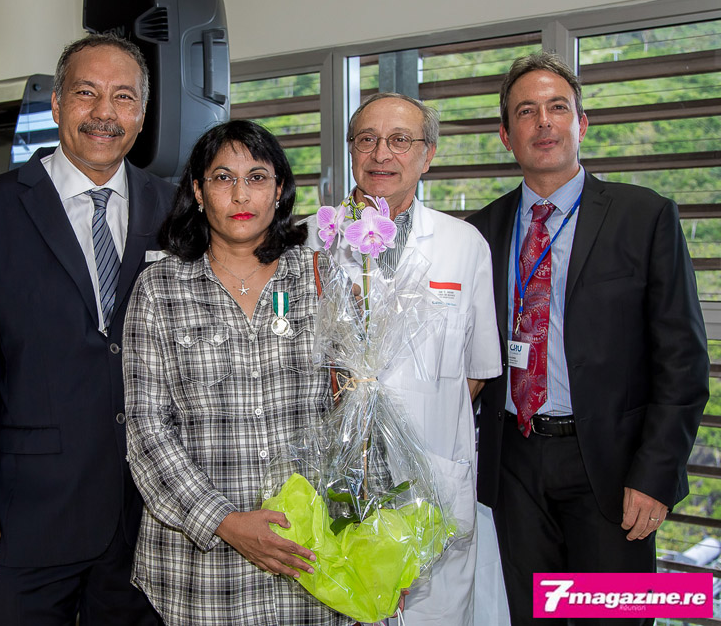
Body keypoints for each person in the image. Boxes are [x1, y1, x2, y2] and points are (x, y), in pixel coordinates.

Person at [0, 33, 173, 625]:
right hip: (27, 522)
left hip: (148, 521)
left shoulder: (174, 210)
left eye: (123, 97)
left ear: (142, 114)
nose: (104, 113)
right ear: (58, 104)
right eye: (86, 93)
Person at [467, 52, 709, 625]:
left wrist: (655, 477)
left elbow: (682, 361)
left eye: (557, 108)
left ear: (582, 123)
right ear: (505, 135)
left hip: (610, 468)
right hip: (513, 464)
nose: (543, 122)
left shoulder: (644, 216)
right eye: (526, 111)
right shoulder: (481, 231)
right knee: (529, 616)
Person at [124, 119, 354, 625]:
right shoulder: (161, 288)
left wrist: (375, 536)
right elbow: (146, 428)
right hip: (203, 575)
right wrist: (225, 522)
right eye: (223, 178)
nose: (241, 194)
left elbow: (356, 413)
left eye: (257, 177)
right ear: (198, 192)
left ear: (280, 189)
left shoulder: (320, 278)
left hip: (312, 560)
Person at [304, 93, 502, 626]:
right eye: (366, 139)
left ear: (428, 154)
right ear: (351, 150)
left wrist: (406, 424)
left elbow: (477, 371)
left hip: (432, 479)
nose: (381, 154)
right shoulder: (310, 240)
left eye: (400, 140)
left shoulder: (463, 244)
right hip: (337, 479)